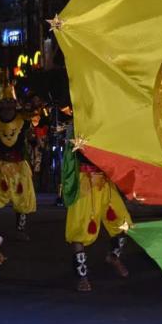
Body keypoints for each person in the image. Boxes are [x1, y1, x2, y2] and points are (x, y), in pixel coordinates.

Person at [61, 122, 131, 292]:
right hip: (85, 182)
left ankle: (113, 257)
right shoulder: (77, 124)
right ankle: (82, 276)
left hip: (104, 182)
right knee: (80, 230)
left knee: (123, 222)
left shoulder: (106, 120)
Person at [0, 84, 37, 239]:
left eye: (10, 101)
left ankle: (20, 229)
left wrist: (32, 139)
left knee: (22, 197)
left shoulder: (23, 122)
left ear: (15, 104)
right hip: (0, 164)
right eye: (5, 101)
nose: (8, 105)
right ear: (1, 104)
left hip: (19, 164)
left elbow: (31, 137)